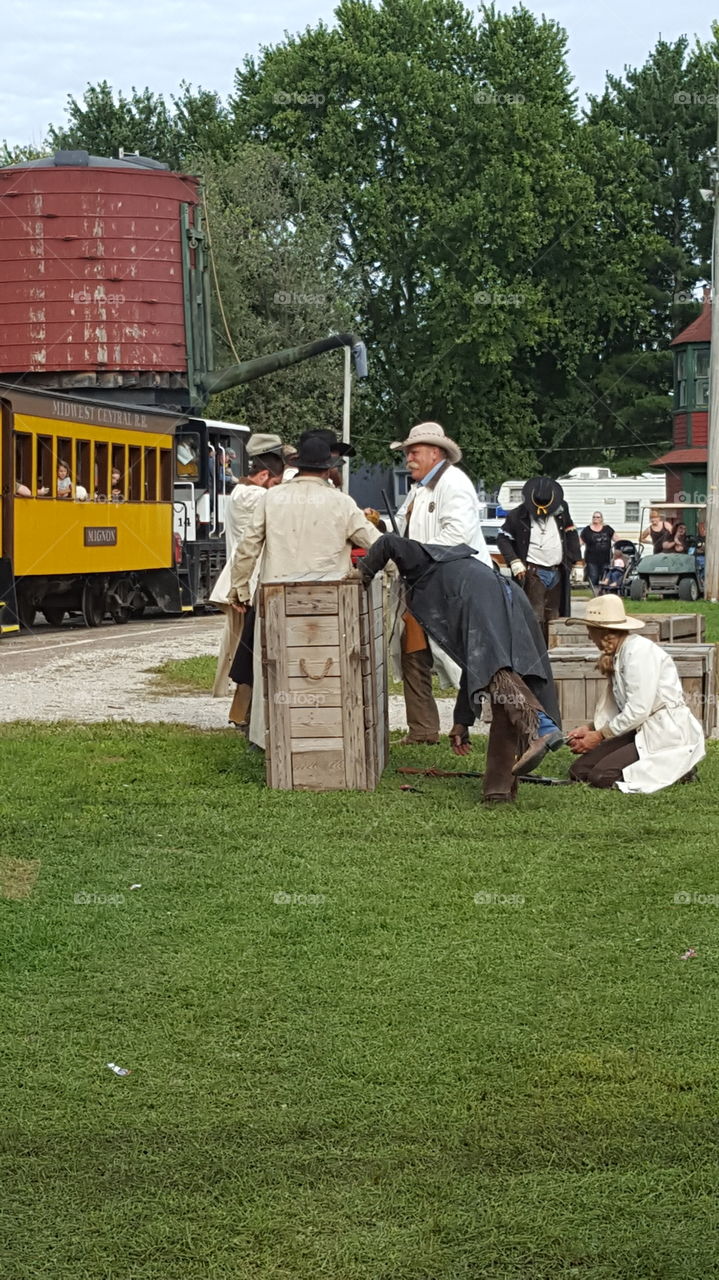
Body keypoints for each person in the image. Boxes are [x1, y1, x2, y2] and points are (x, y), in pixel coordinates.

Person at [358, 534, 562, 804]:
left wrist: (361, 576)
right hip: (507, 596)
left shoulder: (421, 560)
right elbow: (474, 662)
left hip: (487, 599)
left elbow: (387, 542)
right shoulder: (450, 574)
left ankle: (540, 727)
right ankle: (498, 791)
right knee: (499, 681)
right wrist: (461, 720)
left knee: (496, 670)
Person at [227, 435, 381, 750]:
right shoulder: (342, 503)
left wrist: (239, 588)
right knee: (323, 668)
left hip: (276, 598)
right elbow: (376, 543)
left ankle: (267, 738)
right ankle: (325, 735)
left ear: (298, 466)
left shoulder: (272, 498)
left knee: (272, 667)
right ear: (327, 468)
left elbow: (248, 547)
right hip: (327, 602)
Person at [389, 421, 492, 746]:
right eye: (407, 453)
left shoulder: (454, 483)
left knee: (472, 659)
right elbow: (401, 526)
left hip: (457, 587)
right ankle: (422, 730)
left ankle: (503, 722)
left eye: (414, 452)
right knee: (413, 652)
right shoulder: (419, 489)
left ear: (435, 453)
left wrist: (414, 555)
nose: (408, 459)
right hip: (424, 586)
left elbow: (457, 537)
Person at [559, 596, 705, 792]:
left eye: (590, 630)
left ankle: (681, 768)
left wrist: (599, 736)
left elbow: (638, 709)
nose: (589, 636)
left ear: (601, 631)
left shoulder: (638, 652)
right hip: (638, 728)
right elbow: (619, 707)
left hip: (663, 730)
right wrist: (591, 728)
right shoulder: (618, 654)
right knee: (579, 770)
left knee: (601, 776)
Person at [209, 433, 285, 720]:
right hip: (250, 582)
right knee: (251, 652)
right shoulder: (257, 496)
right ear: (264, 476)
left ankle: (243, 713)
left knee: (247, 650)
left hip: (243, 579)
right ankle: (244, 714)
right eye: (275, 482)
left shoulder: (240, 492)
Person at [497, 476, 581, 640]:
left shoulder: (562, 510)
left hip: (557, 572)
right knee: (535, 617)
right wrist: (514, 561)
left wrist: (577, 562)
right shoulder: (518, 515)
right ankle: (535, 652)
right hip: (533, 572)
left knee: (554, 617)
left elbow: (571, 534)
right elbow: (503, 538)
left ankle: (550, 652)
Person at [580, 511, 614, 594]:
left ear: (601, 519)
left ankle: (603, 593)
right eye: (594, 517)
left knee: (605, 577)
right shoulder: (587, 530)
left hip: (606, 558)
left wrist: (623, 545)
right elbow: (580, 542)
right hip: (592, 559)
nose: (595, 518)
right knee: (593, 577)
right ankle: (594, 594)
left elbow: (617, 539)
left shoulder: (607, 529)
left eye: (598, 517)